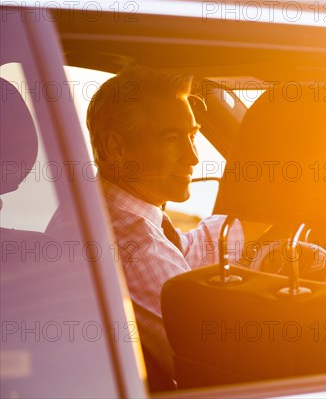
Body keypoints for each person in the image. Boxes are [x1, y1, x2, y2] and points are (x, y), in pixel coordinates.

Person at [48, 67, 243, 380]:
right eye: (171, 138)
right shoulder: (134, 243)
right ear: (116, 148)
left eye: (192, 136)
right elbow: (225, 364)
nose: (193, 157)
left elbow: (179, 252)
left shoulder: (97, 211)